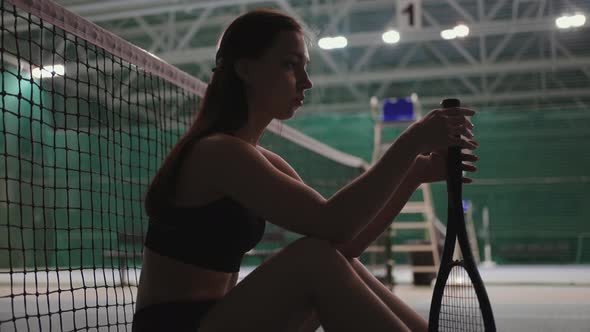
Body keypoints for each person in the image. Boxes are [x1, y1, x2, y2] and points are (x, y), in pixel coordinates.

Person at [132, 8, 478, 332]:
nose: (306, 82)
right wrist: (412, 141)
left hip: (222, 319)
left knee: (333, 258)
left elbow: (345, 242)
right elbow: (334, 223)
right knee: (313, 260)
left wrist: (414, 173)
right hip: (176, 325)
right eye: (289, 65)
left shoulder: (257, 159)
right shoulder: (217, 153)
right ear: (245, 69)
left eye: (305, 67)